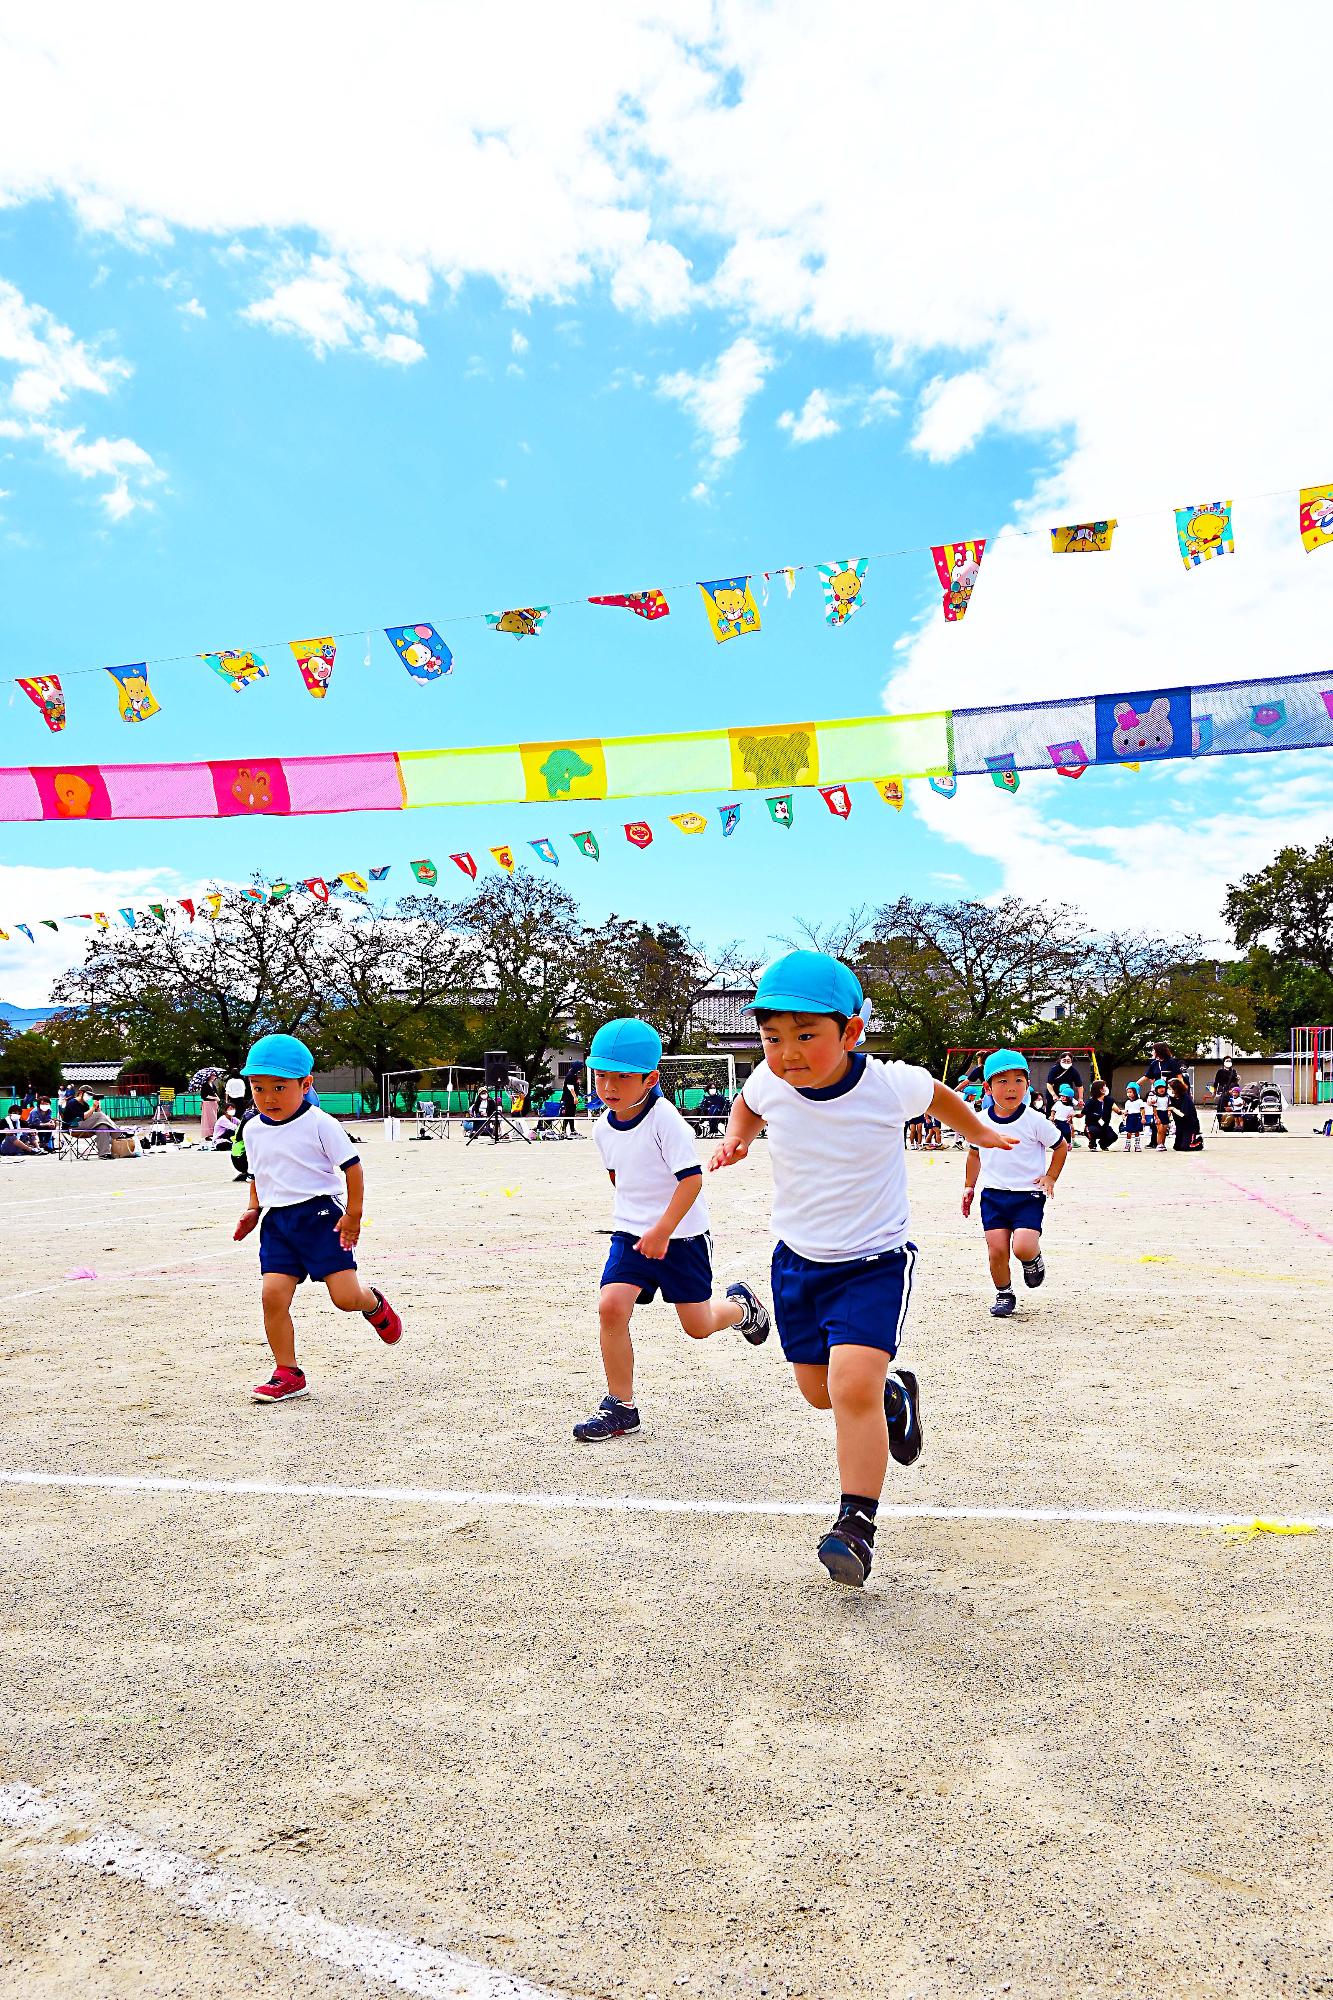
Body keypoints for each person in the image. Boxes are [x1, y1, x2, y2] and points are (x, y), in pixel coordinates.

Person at [709, 951, 1016, 1589]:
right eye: (772, 1038)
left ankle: (856, 1526)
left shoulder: (887, 1084)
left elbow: (939, 1095)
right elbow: (748, 1100)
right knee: (820, 1392)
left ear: (850, 1031)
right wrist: (737, 1137)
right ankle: (896, 1395)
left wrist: (978, 1133)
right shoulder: (770, 1082)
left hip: (873, 1261)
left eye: (805, 1035)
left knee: (849, 1388)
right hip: (797, 1263)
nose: (787, 1052)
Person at [573, 1017, 769, 1443]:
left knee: (697, 1326)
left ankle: (742, 1307)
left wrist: (663, 1229)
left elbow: (691, 1180)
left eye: (623, 1077)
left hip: (682, 1238)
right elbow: (618, 1176)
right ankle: (620, 1406)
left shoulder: (667, 1121)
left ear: (650, 1079)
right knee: (610, 1307)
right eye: (601, 1075)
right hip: (631, 1237)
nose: (609, 1087)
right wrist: (638, 1223)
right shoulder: (603, 1126)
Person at [231, 1032, 401, 1404]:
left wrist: (353, 1215)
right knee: (272, 1296)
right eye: (258, 1088)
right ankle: (287, 1372)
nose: (268, 1098)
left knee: (344, 1298)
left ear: (305, 1084)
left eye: (279, 1087)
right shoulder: (253, 1128)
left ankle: (372, 1304)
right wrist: (253, 1209)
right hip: (278, 1224)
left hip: (321, 1217)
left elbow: (353, 1170)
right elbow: (259, 1174)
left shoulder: (321, 1123)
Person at [960, 1049, 1068, 1318]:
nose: (1011, 1088)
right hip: (994, 1196)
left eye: (1018, 1080)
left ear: (1028, 1085)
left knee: (1022, 1247)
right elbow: (974, 1155)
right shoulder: (980, 1122)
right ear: (987, 1087)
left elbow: (1061, 1146)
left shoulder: (1035, 1120)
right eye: (1002, 1081)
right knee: (996, 1250)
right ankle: (1004, 1293)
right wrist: (969, 1186)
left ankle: (1033, 1260)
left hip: (1028, 1195)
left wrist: (1050, 1176)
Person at [1167, 1073, 1204, 1151]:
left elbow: (1184, 1115)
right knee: (1177, 1147)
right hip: (1180, 1125)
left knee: (1185, 1147)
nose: (1169, 1090)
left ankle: (1198, 1142)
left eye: (1170, 1088)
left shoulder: (1185, 1098)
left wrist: (1173, 1109)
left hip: (1189, 1125)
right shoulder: (1172, 1098)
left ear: (1176, 1089)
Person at [1082, 1079, 1117, 1151]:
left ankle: (1103, 1144)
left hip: (1104, 1126)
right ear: (1100, 1090)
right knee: (1092, 1131)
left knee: (1113, 1136)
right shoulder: (1090, 1102)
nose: (1106, 1088)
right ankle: (1092, 1144)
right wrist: (1073, 1115)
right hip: (1092, 1125)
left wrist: (1126, 1112)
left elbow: (1117, 1110)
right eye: (1104, 1086)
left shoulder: (1109, 1100)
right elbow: (1083, 1113)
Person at [1121, 1084, 1146, 1151]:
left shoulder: (1139, 1101)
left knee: (1137, 1131)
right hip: (1130, 1117)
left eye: (1130, 1092)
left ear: (1135, 1093)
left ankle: (1137, 1145)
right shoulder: (1127, 1102)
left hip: (1137, 1117)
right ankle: (1127, 1145)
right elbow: (1126, 1111)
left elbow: (1142, 1110)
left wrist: (1143, 1118)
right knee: (1129, 1132)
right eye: (1128, 1092)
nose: (1129, 1094)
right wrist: (1124, 1115)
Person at [199, 1072, 219, 1143]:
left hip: (213, 1103)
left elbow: (215, 1093)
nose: (214, 1077)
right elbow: (204, 1095)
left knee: (214, 1119)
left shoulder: (213, 1085)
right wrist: (214, 1098)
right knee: (207, 1119)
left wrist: (216, 1098)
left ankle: (213, 1133)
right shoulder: (205, 1085)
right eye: (213, 1076)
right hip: (207, 1103)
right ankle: (207, 1134)